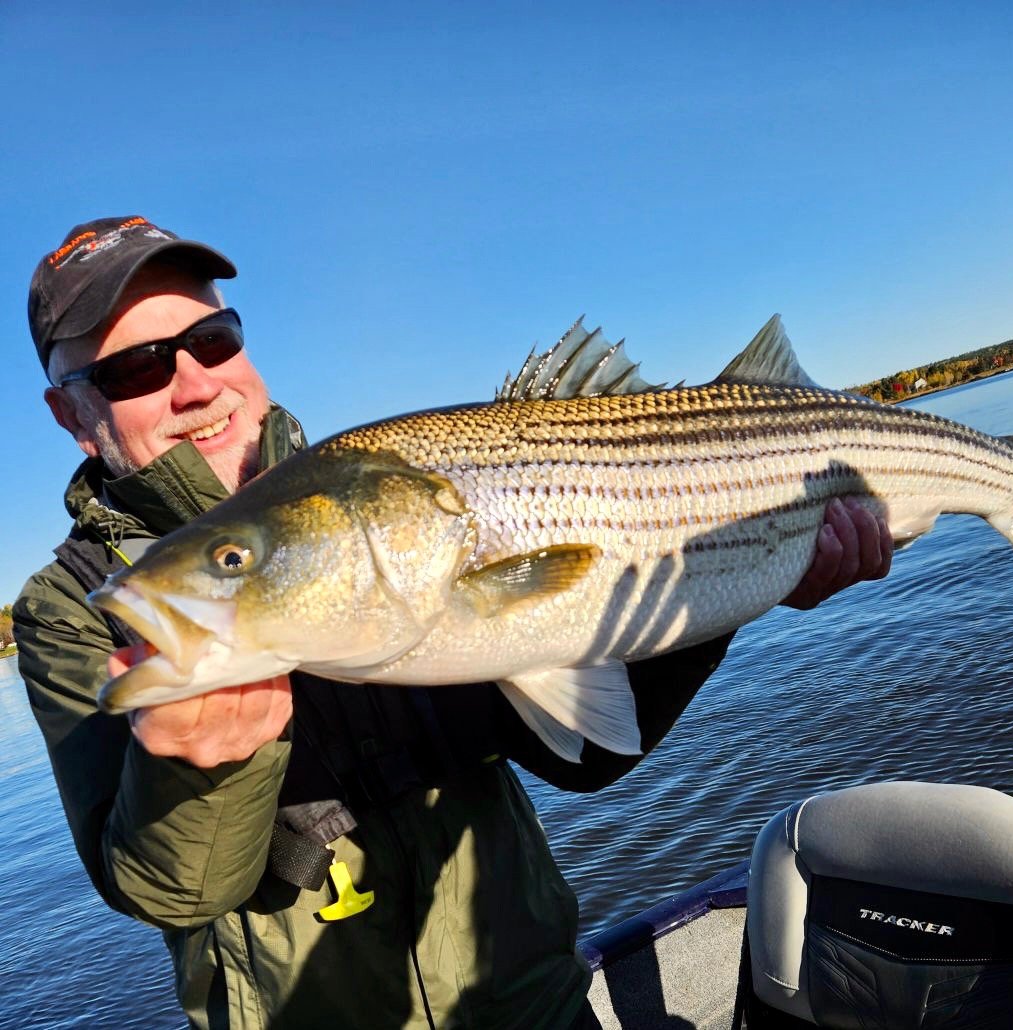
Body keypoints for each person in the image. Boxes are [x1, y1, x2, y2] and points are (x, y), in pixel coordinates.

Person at [15, 216, 893, 1030]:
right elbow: (171, 893)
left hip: (535, 999)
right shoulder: (79, 606)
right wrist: (197, 768)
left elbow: (582, 752)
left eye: (213, 340)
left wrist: (736, 586)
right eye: (138, 368)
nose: (196, 385)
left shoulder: (373, 485)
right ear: (72, 415)